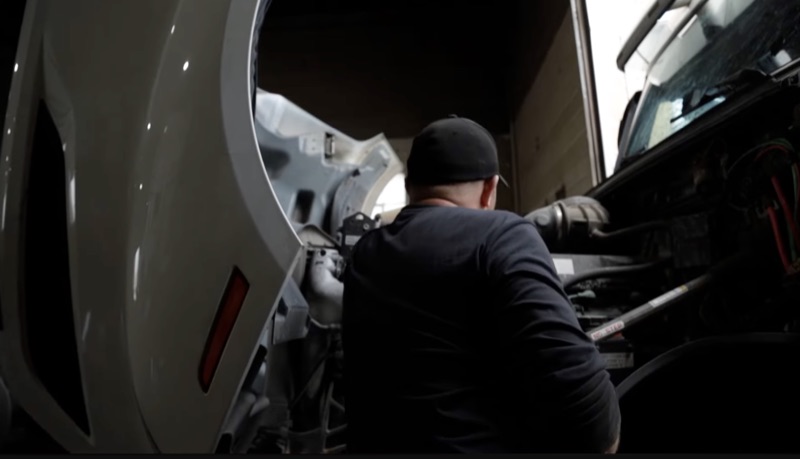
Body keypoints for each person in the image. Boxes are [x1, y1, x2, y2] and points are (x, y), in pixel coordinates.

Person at [341, 116, 620, 453]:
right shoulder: (502, 235)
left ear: (408, 187)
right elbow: (585, 407)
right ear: (489, 189)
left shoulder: (364, 256)